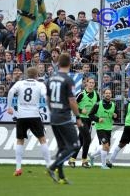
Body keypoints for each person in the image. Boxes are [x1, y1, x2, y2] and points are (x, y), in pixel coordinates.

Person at [46, 53, 83, 184]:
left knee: (62, 147)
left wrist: (52, 111)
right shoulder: (68, 79)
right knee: (74, 146)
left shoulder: (51, 78)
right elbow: (72, 101)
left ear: (58, 63)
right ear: (69, 64)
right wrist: (78, 117)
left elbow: (47, 98)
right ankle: (52, 167)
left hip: (54, 116)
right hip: (64, 117)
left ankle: (61, 177)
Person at [6, 66, 51, 176]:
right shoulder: (40, 84)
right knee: (42, 139)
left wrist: (9, 107)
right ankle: (49, 166)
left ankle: (18, 168)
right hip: (34, 115)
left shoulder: (20, 83)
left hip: (21, 116)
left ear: (26, 75)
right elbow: (45, 96)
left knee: (20, 140)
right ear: (37, 76)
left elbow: (11, 91)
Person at [69, 77, 99, 168]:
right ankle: (84, 160)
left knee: (81, 141)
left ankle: (72, 159)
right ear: (86, 83)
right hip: (81, 119)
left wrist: (97, 118)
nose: (91, 84)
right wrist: (81, 110)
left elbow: (98, 107)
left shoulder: (96, 95)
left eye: (93, 83)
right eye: (90, 82)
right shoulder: (81, 94)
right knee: (88, 139)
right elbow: (72, 105)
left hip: (90, 120)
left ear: (94, 84)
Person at [88, 88, 118, 169]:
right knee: (105, 146)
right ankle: (103, 165)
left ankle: (92, 155)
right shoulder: (98, 104)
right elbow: (90, 115)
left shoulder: (114, 105)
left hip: (109, 128)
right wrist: (98, 119)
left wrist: (115, 116)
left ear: (111, 95)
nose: (108, 94)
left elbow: (115, 117)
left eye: (109, 93)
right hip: (100, 128)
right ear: (103, 94)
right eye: (106, 93)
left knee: (107, 148)